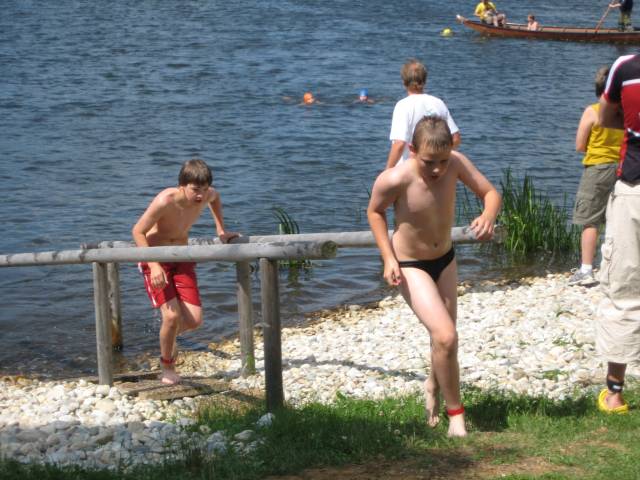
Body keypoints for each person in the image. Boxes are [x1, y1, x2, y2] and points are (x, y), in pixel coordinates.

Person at [368, 116, 501, 437]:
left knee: (446, 340)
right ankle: (456, 417)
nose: (438, 169)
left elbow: (490, 192)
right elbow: (375, 212)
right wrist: (388, 258)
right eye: (429, 162)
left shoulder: (456, 163)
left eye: (443, 160)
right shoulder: (395, 178)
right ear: (412, 150)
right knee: (445, 337)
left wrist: (488, 215)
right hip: (410, 264)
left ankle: (433, 384)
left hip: (446, 260)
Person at [132, 158, 239, 385]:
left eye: (204, 189)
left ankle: (167, 338)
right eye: (195, 190)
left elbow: (216, 198)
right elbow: (138, 231)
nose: (200, 195)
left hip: (181, 257)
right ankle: (167, 367)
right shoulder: (166, 200)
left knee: (194, 320)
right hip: (155, 258)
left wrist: (221, 230)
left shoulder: (208, 195)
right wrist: (153, 264)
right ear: (182, 185)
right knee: (171, 317)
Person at [596, 53, 640, 414]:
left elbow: (606, 117)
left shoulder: (625, 67)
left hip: (633, 187)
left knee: (624, 289)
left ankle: (614, 393)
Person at [568, 66, 623, 287]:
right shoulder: (627, 113)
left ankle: (586, 269)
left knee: (590, 220)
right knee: (617, 219)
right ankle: (614, 267)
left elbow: (580, 145)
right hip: (624, 169)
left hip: (598, 169)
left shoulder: (593, 111)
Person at [386, 59, 461, 169]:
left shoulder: (402, 106)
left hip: (408, 169)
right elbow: (456, 138)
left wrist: (387, 171)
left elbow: (399, 144)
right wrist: (439, 158)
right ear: (424, 81)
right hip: (435, 169)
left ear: (404, 82)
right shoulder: (438, 103)